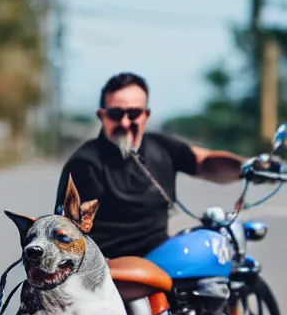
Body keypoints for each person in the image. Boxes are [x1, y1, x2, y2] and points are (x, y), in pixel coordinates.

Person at [54, 72, 246, 259]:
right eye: (115, 114)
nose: (125, 122)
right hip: (112, 271)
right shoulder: (85, 164)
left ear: (146, 115)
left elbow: (204, 162)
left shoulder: (162, 147)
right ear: (101, 115)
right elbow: (69, 234)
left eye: (134, 113)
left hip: (163, 258)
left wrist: (249, 168)